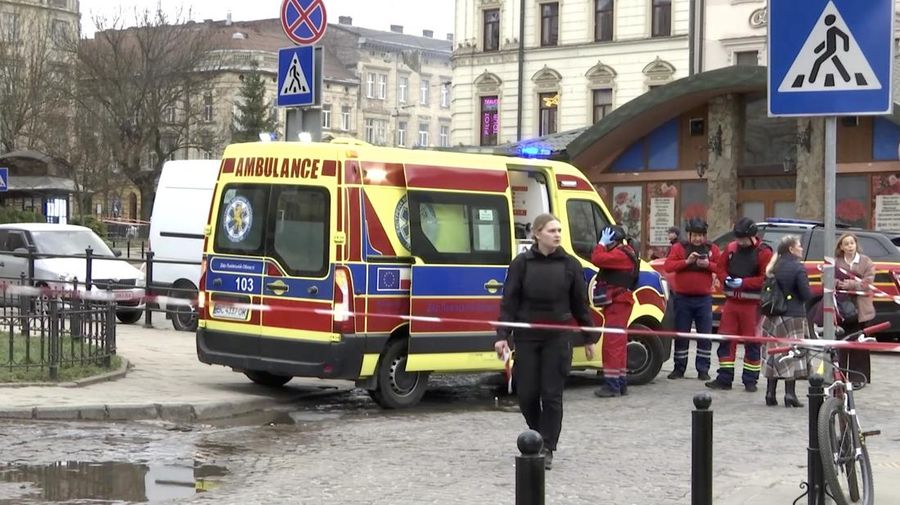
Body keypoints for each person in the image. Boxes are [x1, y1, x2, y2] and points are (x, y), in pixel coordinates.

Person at [494, 213, 596, 470]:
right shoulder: (521, 264)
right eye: (552, 230)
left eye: (559, 230)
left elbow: (580, 304)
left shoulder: (571, 265)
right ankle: (537, 433)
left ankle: (547, 445)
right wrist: (502, 336)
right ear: (537, 234)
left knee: (552, 395)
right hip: (527, 337)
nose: (557, 234)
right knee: (527, 394)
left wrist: (589, 337)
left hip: (558, 338)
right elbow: (509, 302)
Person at [706, 217, 773, 392]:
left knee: (752, 343)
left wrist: (743, 283)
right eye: (738, 238)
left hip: (752, 305)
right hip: (731, 303)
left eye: (742, 239)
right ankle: (724, 378)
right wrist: (726, 279)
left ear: (752, 236)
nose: (740, 242)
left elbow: (765, 279)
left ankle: (750, 380)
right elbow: (720, 268)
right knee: (726, 340)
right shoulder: (731, 249)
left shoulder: (763, 253)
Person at [664, 218, 719, 380]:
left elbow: (722, 268)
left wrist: (708, 265)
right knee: (681, 334)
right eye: (694, 235)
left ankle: (703, 369)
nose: (697, 239)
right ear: (689, 235)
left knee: (705, 336)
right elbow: (668, 266)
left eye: (700, 235)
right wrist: (687, 262)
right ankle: (679, 368)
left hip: (704, 299)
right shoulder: (678, 248)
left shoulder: (712, 249)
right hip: (683, 298)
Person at [761, 235, 812, 407]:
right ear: (791, 249)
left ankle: (770, 393)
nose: (801, 248)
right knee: (791, 353)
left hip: (772, 316)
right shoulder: (797, 267)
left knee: (774, 353)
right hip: (793, 316)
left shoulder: (773, 266)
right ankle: (790, 394)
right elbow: (806, 294)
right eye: (799, 246)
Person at [590, 225, 640, 398]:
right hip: (619, 303)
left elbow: (597, 259)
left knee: (612, 344)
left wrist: (600, 245)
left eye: (606, 241)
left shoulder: (620, 254)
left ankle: (612, 386)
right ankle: (620, 383)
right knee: (618, 344)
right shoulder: (625, 253)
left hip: (618, 303)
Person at [834, 232, 876, 386]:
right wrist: (838, 283)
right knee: (842, 343)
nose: (850, 246)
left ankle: (858, 378)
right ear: (841, 247)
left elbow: (868, 282)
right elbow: (826, 279)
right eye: (846, 244)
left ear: (856, 244)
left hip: (861, 309)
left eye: (852, 243)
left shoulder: (866, 261)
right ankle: (839, 375)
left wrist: (851, 284)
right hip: (842, 309)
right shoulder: (836, 262)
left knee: (859, 344)